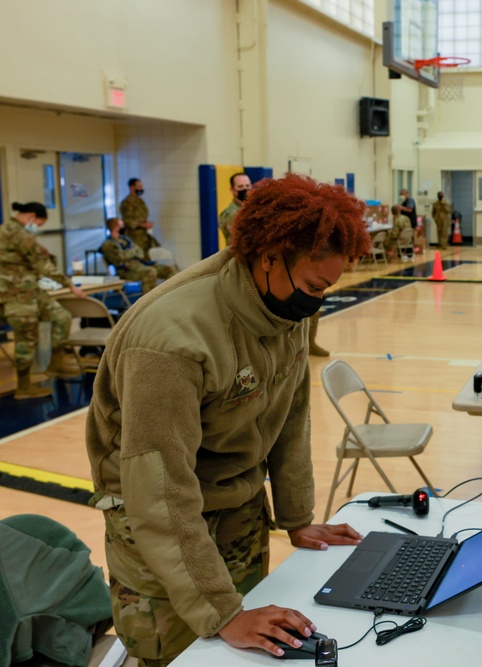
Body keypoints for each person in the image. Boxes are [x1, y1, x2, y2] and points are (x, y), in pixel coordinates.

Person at [86, 174, 369, 664]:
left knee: (249, 653)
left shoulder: (284, 311)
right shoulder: (171, 340)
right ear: (268, 257)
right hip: (162, 529)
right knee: (179, 654)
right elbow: (159, 488)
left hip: (238, 510)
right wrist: (221, 611)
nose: (316, 301)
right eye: (312, 286)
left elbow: (290, 419)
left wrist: (297, 519)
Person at [0, 202, 87, 399]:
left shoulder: (17, 231)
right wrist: (69, 285)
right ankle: (23, 387)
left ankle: (55, 364)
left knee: (61, 316)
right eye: (39, 223)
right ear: (31, 216)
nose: (37, 228)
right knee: (26, 338)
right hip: (14, 293)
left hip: (29, 289)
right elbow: (41, 261)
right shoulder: (16, 232)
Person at [101, 218, 178, 294]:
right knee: (150, 271)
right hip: (125, 271)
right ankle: (150, 300)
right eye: (122, 226)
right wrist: (134, 251)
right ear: (115, 227)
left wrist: (129, 253)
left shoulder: (125, 240)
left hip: (140, 265)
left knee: (169, 269)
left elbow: (140, 253)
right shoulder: (108, 245)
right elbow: (121, 258)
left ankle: (170, 294)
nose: (124, 228)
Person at [120, 178, 162, 260]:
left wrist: (147, 223)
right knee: (139, 259)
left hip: (144, 236)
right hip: (134, 237)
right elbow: (127, 221)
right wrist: (143, 225)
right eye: (139, 186)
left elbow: (141, 217)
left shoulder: (139, 201)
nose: (141, 189)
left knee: (147, 258)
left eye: (141, 186)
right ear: (132, 187)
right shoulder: (127, 202)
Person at [219, 172, 253, 244]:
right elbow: (240, 239)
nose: (245, 189)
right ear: (232, 190)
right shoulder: (232, 213)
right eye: (240, 186)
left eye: (247, 185)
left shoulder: (249, 208)